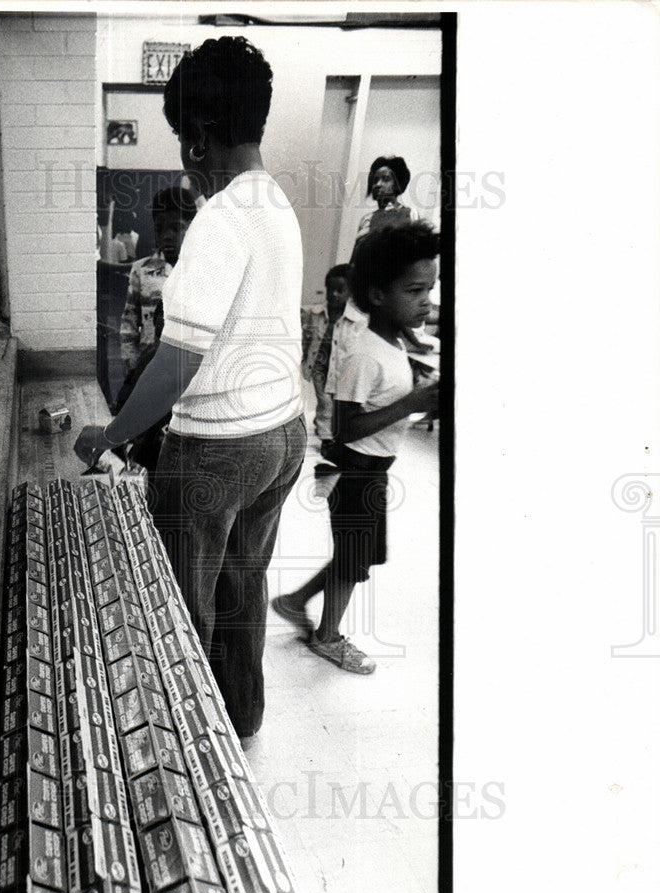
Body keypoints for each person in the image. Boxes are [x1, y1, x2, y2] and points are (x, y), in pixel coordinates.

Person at [74, 36, 306, 739]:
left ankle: (187, 748)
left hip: (218, 450)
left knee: (179, 602)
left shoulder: (219, 222)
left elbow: (177, 366)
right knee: (244, 584)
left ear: (199, 138)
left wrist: (108, 436)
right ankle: (241, 715)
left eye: (181, 138)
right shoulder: (277, 203)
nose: (182, 155)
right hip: (282, 434)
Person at [272, 221, 441, 673]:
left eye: (431, 288)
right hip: (353, 469)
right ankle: (327, 636)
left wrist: (414, 387)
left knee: (358, 554)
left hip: (373, 469)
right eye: (416, 290)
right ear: (379, 295)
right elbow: (346, 427)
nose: (427, 300)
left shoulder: (393, 341)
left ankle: (295, 601)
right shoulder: (363, 352)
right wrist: (414, 401)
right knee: (353, 558)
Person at [118, 186, 198, 380]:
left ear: (192, 228)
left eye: (176, 227)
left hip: (188, 371)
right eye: (160, 228)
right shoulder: (141, 270)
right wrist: (132, 369)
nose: (167, 235)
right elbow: (129, 325)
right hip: (149, 368)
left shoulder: (201, 271)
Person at [300, 264, 352, 443]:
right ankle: (326, 438)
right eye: (330, 290)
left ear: (350, 292)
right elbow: (306, 336)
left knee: (336, 401)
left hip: (341, 369)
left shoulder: (356, 320)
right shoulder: (315, 314)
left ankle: (325, 424)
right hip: (320, 366)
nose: (334, 295)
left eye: (340, 290)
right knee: (325, 402)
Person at [353, 155, 418, 256]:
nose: (378, 184)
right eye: (375, 180)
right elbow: (355, 260)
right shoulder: (367, 219)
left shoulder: (410, 214)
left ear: (397, 184)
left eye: (386, 179)